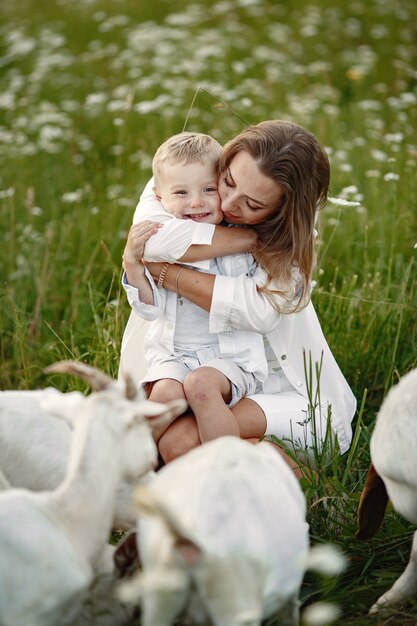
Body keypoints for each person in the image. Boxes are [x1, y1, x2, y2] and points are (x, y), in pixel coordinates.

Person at [120, 120, 357, 476]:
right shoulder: (191, 173)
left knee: (181, 443)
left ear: (281, 212)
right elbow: (153, 243)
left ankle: (296, 481)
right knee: (172, 443)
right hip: (196, 367)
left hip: (283, 389)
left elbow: (256, 312)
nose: (227, 204)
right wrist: (251, 237)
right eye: (228, 182)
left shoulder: (291, 239)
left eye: (252, 203)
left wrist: (170, 274)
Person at [122, 132, 270, 445]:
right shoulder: (168, 240)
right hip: (175, 355)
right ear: (159, 198)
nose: (196, 202)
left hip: (230, 360)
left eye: (207, 189)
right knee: (165, 394)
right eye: (181, 192)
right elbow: (150, 309)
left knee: (200, 385)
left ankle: (225, 464)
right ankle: (124, 465)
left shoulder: (241, 235)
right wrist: (133, 266)